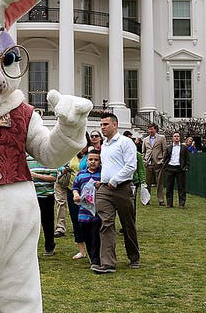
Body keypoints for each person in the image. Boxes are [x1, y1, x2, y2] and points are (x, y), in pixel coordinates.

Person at [94, 113, 140, 273]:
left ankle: (134, 257)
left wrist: (114, 181)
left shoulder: (125, 143)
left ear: (115, 125)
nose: (102, 128)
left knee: (128, 224)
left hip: (122, 188)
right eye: (101, 125)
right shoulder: (104, 145)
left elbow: (130, 166)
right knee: (106, 224)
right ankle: (107, 263)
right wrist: (103, 181)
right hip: (105, 189)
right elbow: (107, 166)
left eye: (105, 124)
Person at [72, 149, 102, 267]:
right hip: (83, 211)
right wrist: (75, 194)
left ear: (100, 161)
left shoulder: (102, 174)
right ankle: (91, 254)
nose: (93, 162)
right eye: (90, 159)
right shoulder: (81, 174)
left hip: (97, 211)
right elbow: (75, 187)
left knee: (96, 234)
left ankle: (95, 259)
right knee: (86, 233)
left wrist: (101, 185)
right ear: (87, 160)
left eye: (96, 160)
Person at [28, 155, 58, 257]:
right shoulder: (26, 158)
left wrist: (36, 176)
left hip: (46, 196)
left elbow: (53, 178)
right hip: (31, 197)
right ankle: (30, 249)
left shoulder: (49, 160)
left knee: (47, 223)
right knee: (30, 224)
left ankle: (49, 247)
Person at [143, 123, 168, 206]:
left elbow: (165, 150)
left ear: (155, 129)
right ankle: (147, 199)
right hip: (148, 163)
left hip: (158, 162)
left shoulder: (161, 138)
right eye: (149, 129)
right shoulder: (145, 139)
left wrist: (162, 160)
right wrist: (144, 160)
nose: (150, 130)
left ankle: (161, 200)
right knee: (147, 183)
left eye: (152, 129)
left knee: (159, 182)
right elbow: (143, 151)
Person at [163, 132, 190, 208]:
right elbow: (165, 158)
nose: (176, 138)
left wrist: (186, 167)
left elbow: (187, 159)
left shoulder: (184, 148)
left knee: (181, 187)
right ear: (172, 138)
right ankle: (169, 203)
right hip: (170, 168)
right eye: (175, 136)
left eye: (178, 136)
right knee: (169, 187)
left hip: (180, 169)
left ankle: (182, 204)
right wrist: (165, 166)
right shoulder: (169, 147)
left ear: (180, 137)